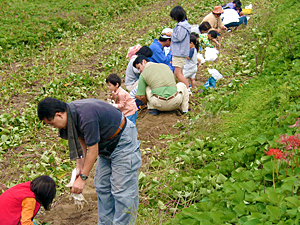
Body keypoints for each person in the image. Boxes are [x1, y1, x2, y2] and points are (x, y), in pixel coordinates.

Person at [37, 98, 141, 225]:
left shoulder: (86, 116)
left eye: (52, 123)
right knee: (102, 186)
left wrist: (83, 178)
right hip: (104, 145)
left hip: (122, 141)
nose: (53, 127)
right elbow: (82, 142)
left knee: (122, 189)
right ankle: (105, 223)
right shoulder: (71, 115)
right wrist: (79, 168)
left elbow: (93, 151)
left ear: (59, 114)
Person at [165, 6, 191, 89]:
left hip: (179, 52)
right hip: (181, 52)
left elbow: (179, 37)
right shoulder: (184, 25)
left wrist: (171, 34)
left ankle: (187, 88)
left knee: (177, 73)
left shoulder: (181, 26)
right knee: (180, 72)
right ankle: (183, 88)